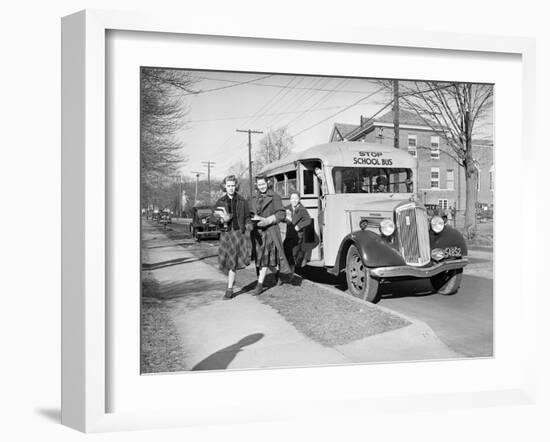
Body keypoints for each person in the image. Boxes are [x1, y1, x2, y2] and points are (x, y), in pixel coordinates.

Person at [249, 175, 291, 295]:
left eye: (263, 184)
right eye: (259, 184)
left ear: (267, 183)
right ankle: (279, 274)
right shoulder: (253, 198)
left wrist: (267, 220)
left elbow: (281, 214)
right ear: (256, 185)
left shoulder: (275, 197)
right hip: (257, 232)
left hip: (270, 231)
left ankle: (260, 285)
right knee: (264, 259)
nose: (261, 186)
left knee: (263, 259)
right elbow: (250, 213)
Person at [214, 175, 252, 300]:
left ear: (236, 186)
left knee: (232, 263)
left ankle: (229, 289)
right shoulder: (220, 201)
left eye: (233, 186)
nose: (231, 188)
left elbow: (247, 217)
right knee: (225, 263)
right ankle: (231, 281)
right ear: (225, 186)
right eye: (228, 186)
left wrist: (248, 225)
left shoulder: (242, 201)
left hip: (237, 233)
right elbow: (212, 218)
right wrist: (221, 219)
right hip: (225, 234)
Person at [283, 192, 311, 273]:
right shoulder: (287, 208)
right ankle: (291, 268)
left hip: (298, 236)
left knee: (293, 254)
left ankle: (291, 272)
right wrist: (285, 218)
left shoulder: (302, 209)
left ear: (299, 199)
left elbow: (308, 220)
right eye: (292, 198)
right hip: (289, 234)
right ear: (290, 200)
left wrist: (299, 226)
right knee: (286, 251)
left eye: (296, 198)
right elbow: (281, 215)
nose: (294, 200)